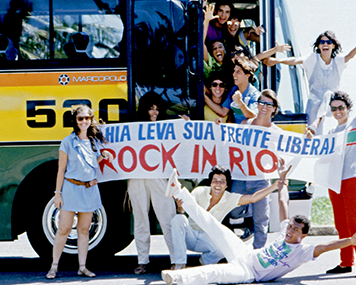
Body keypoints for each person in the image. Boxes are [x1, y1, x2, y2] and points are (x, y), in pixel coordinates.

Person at [161, 159, 356, 285]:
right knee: (212, 223)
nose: (289, 231)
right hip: (245, 253)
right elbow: (282, 202)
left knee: (215, 273)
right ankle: (177, 190)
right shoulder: (283, 232)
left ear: (303, 235)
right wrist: (281, 181)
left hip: (248, 271)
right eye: (290, 227)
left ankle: (177, 277)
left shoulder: (302, 251)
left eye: (295, 230)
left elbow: (325, 246)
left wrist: (350, 241)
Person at [170, 162, 284, 270]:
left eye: (222, 181)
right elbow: (182, 210)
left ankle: (203, 264)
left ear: (226, 185)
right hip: (190, 236)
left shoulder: (229, 198)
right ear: (210, 182)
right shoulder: (199, 191)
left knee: (223, 248)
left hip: (206, 240)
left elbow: (253, 198)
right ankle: (180, 264)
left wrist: (273, 186)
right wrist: (180, 206)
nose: (218, 185)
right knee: (178, 218)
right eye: (215, 180)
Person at [46, 105, 114, 279]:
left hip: (89, 189)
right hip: (71, 188)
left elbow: (92, 164)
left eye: (87, 118)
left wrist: (103, 154)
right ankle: (54, 267)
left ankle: (82, 267)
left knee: (84, 230)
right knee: (63, 229)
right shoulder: (67, 142)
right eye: (80, 118)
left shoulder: (94, 141)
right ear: (75, 121)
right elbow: (61, 170)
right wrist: (57, 193)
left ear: (91, 120)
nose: (84, 121)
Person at [263, 30, 356, 135]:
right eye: (322, 42)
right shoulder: (312, 59)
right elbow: (295, 60)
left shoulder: (338, 62)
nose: (325, 44)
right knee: (312, 132)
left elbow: (350, 56)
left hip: (332, 105)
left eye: (328, 42)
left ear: (333, 46)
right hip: (314, 103)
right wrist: (277, 61)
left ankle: (320, 124)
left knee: (328, 94)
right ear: (318, 46)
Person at [222, 89, 280, 249]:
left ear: (274, 108)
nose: (264, 107)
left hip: (261, 180)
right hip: (241, 177)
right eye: (262, 102)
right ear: (257, 104)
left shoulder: (276, 132)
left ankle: (258, 253)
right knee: (233, 211)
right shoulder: (245, 124)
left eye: (269, 104)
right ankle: (250, 219)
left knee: (262, 220)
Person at [128, 91, 177, 274]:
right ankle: (142, 261)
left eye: (157, 109)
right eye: (150, 109)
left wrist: (185, 124)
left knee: (168, 216)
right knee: (140, 219)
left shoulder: (166, 127)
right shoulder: (134, 127)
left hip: (158, 176)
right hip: (137, 176)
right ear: (144, 110)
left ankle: (176, 259)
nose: (154, 113)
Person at [325, 91, 356, 274]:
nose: (337, 111)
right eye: (334, 108)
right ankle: (346, 262)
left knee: (354, 223)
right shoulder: (330, 133)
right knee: (341, 224)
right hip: (334, 181)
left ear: (348, 108)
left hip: (352, 179)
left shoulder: (354, 125)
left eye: (341, 107)